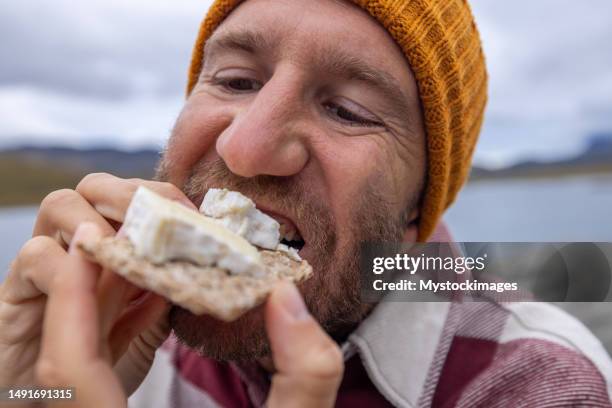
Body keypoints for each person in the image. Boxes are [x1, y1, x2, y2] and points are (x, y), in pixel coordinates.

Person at [1, 0, 611, 406]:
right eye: (235, 80)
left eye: (347, 110)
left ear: (413, 213)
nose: (246, 146)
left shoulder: (533, 382)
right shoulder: (113, 335)